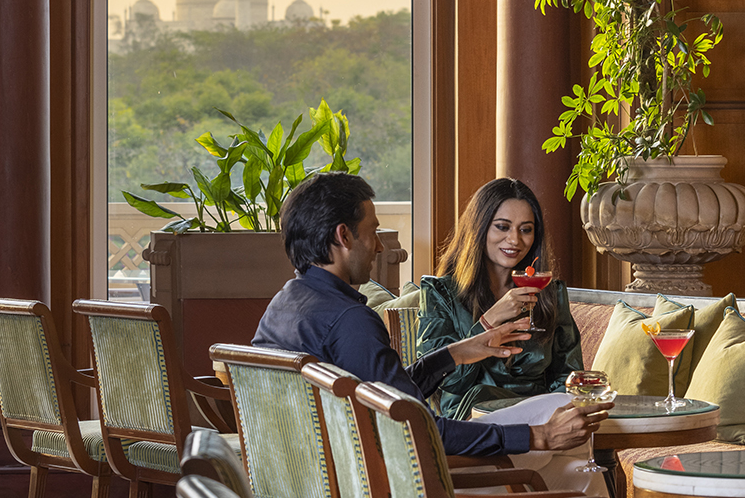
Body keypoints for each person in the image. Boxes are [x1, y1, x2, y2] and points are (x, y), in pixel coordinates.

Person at [253, 170, 607, 461]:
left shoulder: (284, 305)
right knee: (565, 441)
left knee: (567, 442)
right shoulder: (349, 321)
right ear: (343, 235)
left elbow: (385, 397)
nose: (378, 246)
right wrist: (539, 436)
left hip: (327, 475)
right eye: (373, 231)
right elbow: (420, 429)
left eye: (525, 229)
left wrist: (456, 353)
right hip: (396, 485)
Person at [416, 177, 584, 419]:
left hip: (538, 420)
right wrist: (489, 321)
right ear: (479, 228)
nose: (515, 240)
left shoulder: (548, 293)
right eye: (502, 227)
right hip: (473, 422)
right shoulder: (440, 293)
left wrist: (552, 414)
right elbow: (445, 381)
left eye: (525, 229)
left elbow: (569, 376)